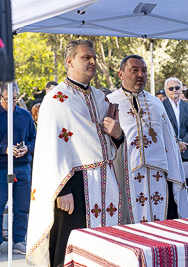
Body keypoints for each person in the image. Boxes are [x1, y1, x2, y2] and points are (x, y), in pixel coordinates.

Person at [26, 40, 123, 267]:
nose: (92, 61)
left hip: (103, 182)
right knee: (69, 245)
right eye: (85, 57)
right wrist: (62, 190)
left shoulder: (101, 97)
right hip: (72, 184)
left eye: (94, 58)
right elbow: (50, 149)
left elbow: (111, 143)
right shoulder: (56, 99)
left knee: (103, 244)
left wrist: (118, 134)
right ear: (69, 62)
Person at [107, 55, 188, 223]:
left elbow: (168, 142)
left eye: (144, 71)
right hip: (126, 174)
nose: (140, 75)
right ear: (121, 74)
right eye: (134, 70)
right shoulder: (110, 102)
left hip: (158, 176)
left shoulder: (156, 103)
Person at [0, 82, 36, 255]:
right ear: (1, 97)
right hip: (1, 168)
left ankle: (19, 240)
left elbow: (34, 139)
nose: (12, 102)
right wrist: (5, 149)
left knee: (22, 207)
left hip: (22, 167)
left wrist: (27, 148)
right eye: (8, 99)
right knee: (0, 206)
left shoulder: (25, 115)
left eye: (15, 98)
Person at [162, 77, 188, 164]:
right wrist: (176, 143)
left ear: (181, 90)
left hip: (185, 150)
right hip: (168, 151)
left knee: (186, 177)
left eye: (177, 88)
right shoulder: (161, 106)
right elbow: (163, 129)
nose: (174, 90)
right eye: (171, 88)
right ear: (166, 91)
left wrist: (183, 143)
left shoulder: (187, 106)